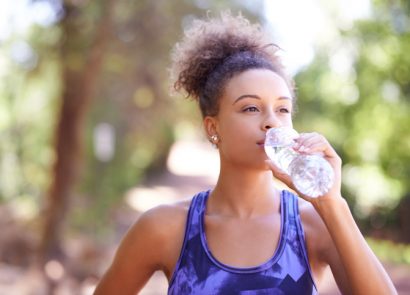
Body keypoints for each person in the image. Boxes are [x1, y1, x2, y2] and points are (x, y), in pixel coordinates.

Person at [94, 12, 397, 295]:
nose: (271, 121)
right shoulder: (163, 228)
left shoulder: (317, 225)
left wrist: (332, 203)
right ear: (213, 128)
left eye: (282, 109)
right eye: (250, 107)